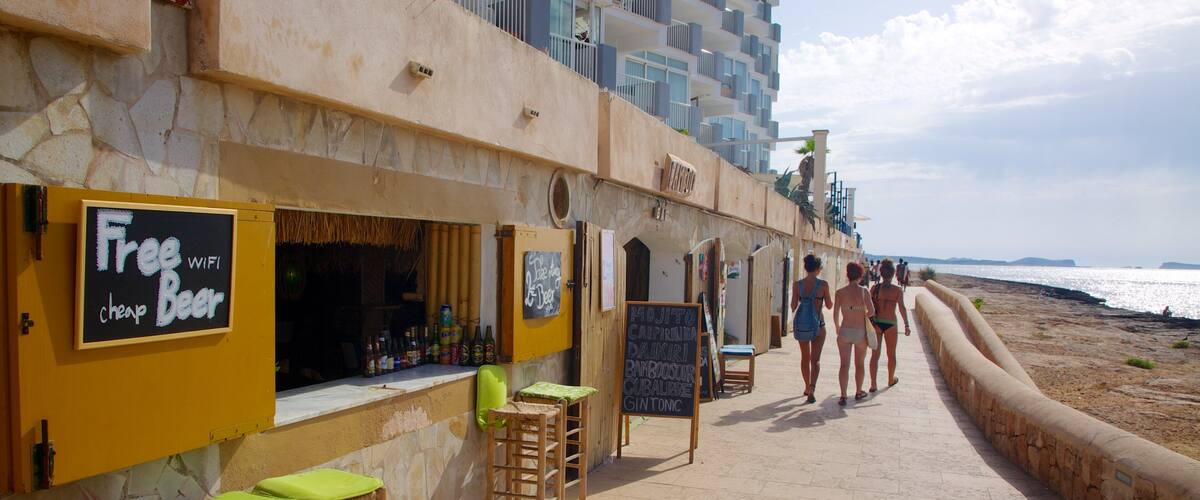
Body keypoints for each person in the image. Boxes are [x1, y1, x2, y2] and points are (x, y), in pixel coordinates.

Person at [791, 255, 833, 404]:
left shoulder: (797, 285)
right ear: (818, 268)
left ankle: (806, 387)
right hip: (818, 325)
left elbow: (793, 306)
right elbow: (829, 305)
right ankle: (813, 388)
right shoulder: (823, 285)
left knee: (805, 357)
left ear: (805, 267)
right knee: (815, 360)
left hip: (802, 325)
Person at [834, 262, 875, 406]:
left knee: (844, 365)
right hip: (860, 332)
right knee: (860, 364)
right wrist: (861, 312)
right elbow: (872, 312)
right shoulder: (864, 291)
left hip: (845, 330)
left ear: (847, 274)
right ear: (860, 275)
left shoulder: (840, 292)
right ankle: (858, 392)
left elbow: (835, 314)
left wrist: (838, 327)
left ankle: (843, 396)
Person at [868, 259, 910, 392]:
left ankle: (873, 384)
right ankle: (891, 379)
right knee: (891, 354)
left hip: (877, 323)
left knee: (875, 355)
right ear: (893, 274)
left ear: (881, 273)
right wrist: (907, 325)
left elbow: (868, 307)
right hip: (891, 323)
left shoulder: (875, 288)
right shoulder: (897, 290)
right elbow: (902, 308)